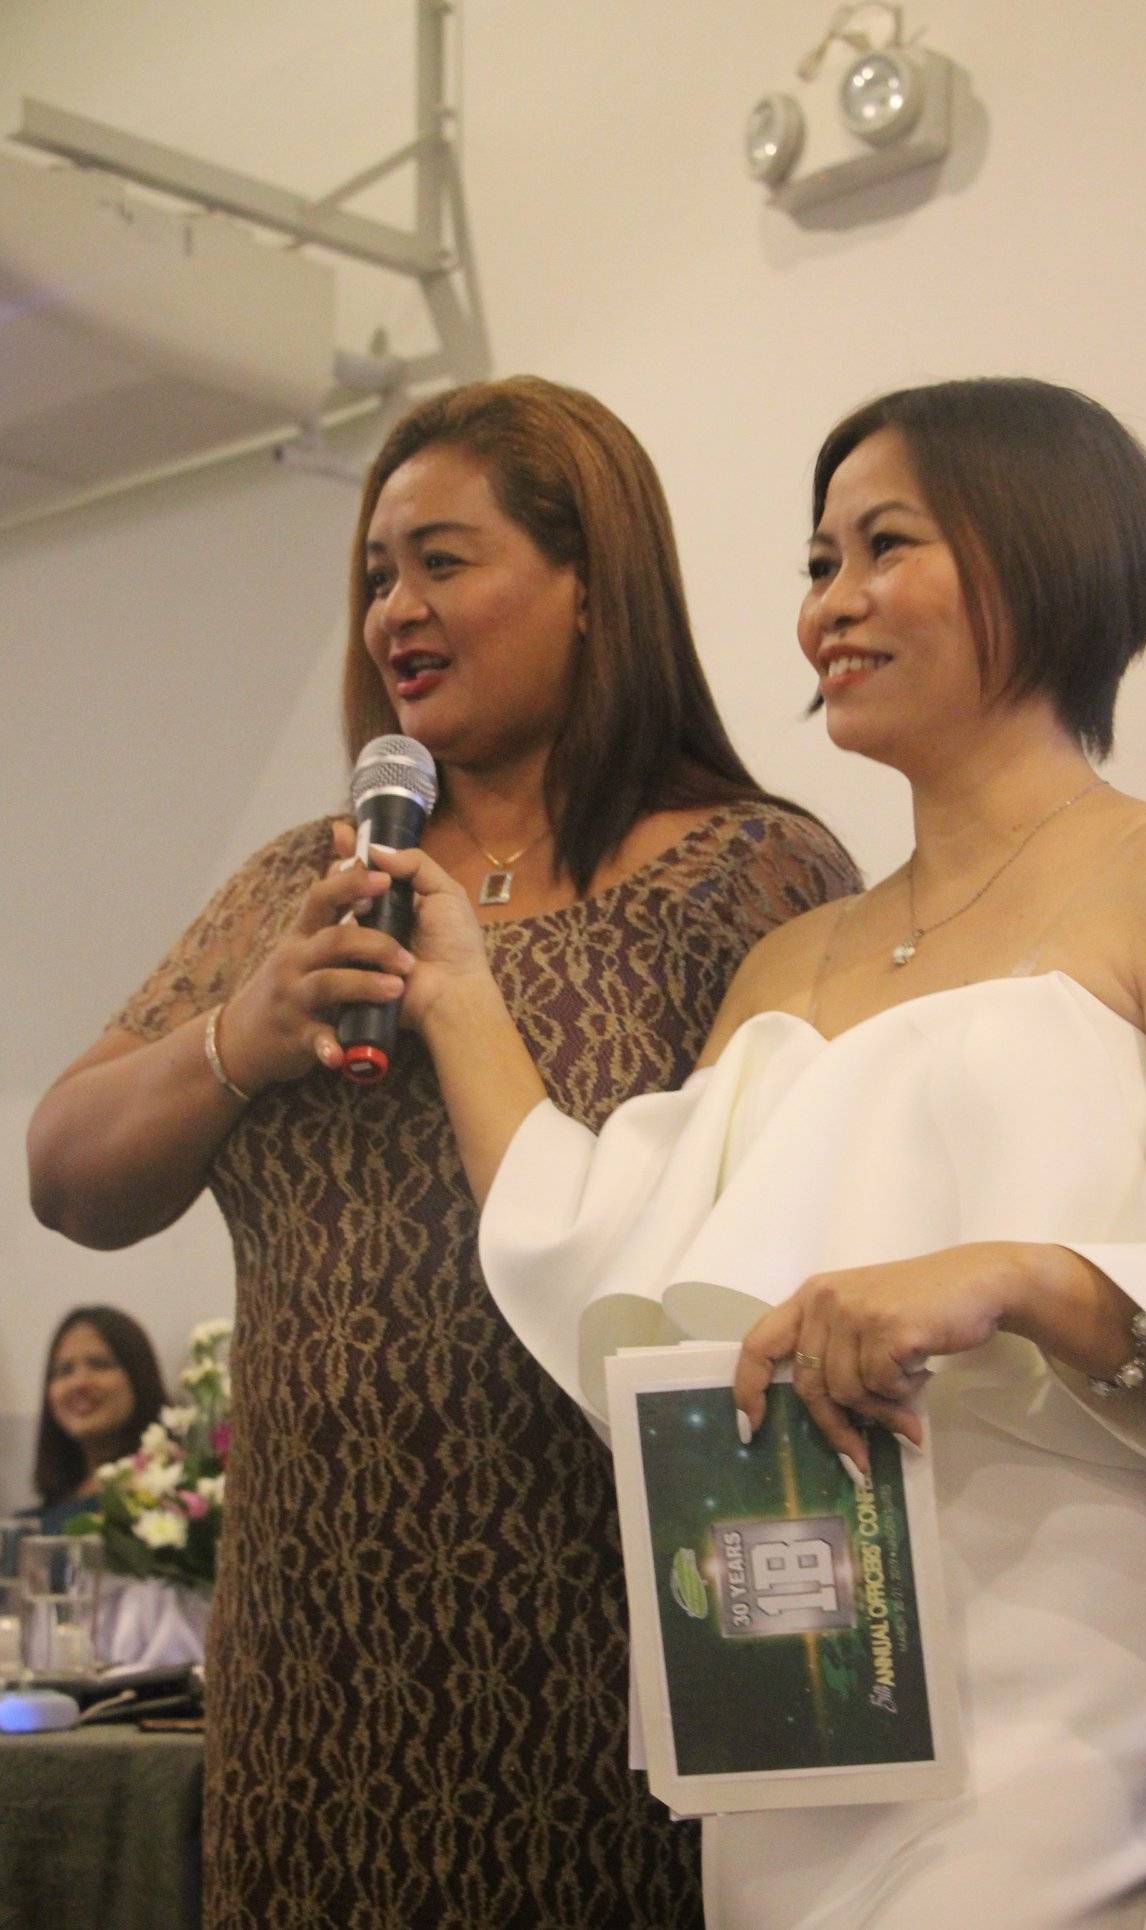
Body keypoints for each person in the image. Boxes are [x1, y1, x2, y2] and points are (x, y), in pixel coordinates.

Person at [370, 377, 1146, 1927]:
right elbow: (610, 1253)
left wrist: (1015, 1276)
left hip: (1061, 1650)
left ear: (1044, 554)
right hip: (798, 1655)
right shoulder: (791, 957)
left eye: (883, 546)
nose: (829, 605)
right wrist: (455, 990)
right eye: (816, 562)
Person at [27, 376, 858, 1928]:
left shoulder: (748, 871)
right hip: (314, 1663)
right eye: (375, 574)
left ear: (593, 584)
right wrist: (242, 1034)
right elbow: (66, 1171)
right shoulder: (304, 881)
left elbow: (807, 1228)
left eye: (442, 561)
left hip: (615, 1631)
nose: (393, 611)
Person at [25, 1305, 166, 1533]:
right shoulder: (29, 1527)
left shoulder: (169, 1505)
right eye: (64, 1370)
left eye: (100, 1364)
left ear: (139, 1377)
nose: (79, 1382)